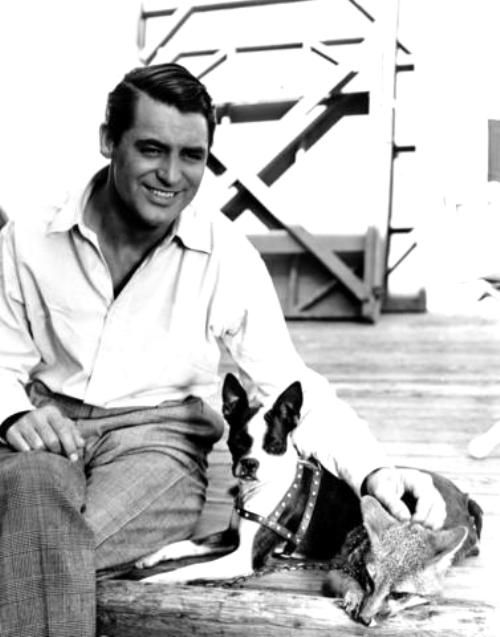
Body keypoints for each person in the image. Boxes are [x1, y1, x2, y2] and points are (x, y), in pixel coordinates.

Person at [0, 63, 446, 637]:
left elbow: (288, 387)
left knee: (34, 541)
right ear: (109, 141)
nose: (172, 175)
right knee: (33, 496)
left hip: (157, 444)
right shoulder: (28, 239)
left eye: (192, 156)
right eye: (153, 149)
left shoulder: (227, 256)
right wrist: (13, 412)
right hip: (47, 426)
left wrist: (376, 471)